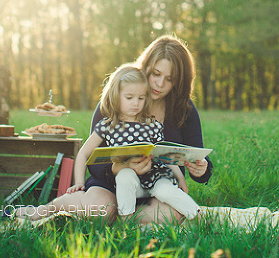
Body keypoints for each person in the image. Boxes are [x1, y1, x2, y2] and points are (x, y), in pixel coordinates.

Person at [14, 34, 212, 223]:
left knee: (173, 214)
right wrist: (118, 168)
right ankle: (53, 208)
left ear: (179, 81)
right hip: (111, 185)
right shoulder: (118, 100)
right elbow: (92, 159)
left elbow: (195, 156)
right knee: (101, 208)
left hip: (156, 185)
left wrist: (200, 169)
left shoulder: (183, 108)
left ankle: (120, 218)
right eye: (156, 74)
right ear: (146, 68)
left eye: (169, 79)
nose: (160, 84)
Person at [68, 64, 200, 220]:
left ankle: (197, 215)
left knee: (166, 190)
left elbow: (165, 153)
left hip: (155, 177)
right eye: (129, 97)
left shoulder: (152, 125)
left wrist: (180, 178)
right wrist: (78, 182)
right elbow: (83, 153)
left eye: (141, 98)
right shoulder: (108, 125)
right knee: (125, 175)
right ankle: (126, 220)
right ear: (116, 96)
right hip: (127, 183)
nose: (135, 103)